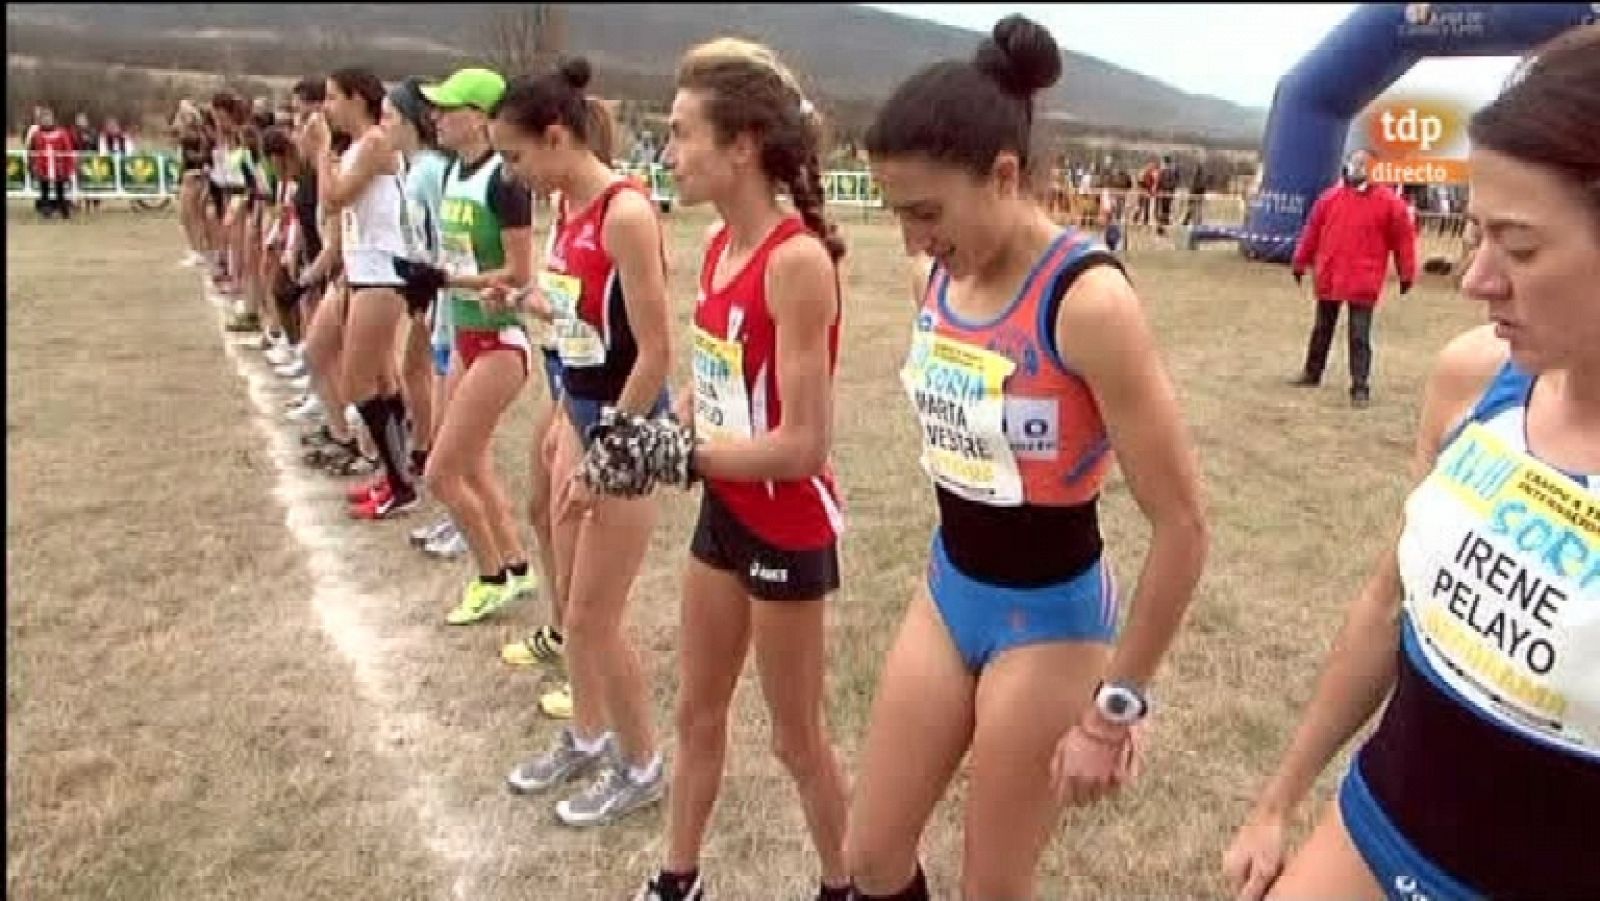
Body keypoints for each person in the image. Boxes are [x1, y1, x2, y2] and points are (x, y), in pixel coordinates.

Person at [1223, 24, 1600, 901]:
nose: (1475, 278)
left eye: (1523, 246)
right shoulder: (1473, 381)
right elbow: (1386, 600)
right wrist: (1277, 800)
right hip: (1373, 826)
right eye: (1475, 234)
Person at [846, 16, 1209, 899]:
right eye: (898, 213)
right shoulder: (932, 277)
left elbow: (1183, 526)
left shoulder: (1087, 303)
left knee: (992, 885)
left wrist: (1117, 702)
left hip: (1050, 621)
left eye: (926, 213)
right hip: (949, 590)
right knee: (870, 854)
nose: (911, 239)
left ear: (1004, 175)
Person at [579, 36, 854, 900]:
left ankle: (848, 884)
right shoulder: (713, 250)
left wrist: (683, 454)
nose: (667, 152)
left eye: (682, 133)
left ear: (741, 146)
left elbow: (804, 442)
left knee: (796, 738)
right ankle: (678, 880)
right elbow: (718, 384)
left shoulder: (797, 261)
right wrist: (649, 431)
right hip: (726, 512)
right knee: (697, 712)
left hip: (786, 521)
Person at [491, 57, 675, 830]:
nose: (512, 173)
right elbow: (586, 324)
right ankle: (589, 733)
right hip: (581, 417)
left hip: (625, 435)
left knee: (597, 613)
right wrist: (531, 301)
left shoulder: (627, 213)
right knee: (572, 598)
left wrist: (602, 453)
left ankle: (642, 765)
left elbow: (657, 350)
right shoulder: (568, 207)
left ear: (557, 136)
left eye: (516, 155)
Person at [418, 67, 538, 624]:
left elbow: (519, 273)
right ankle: (514, 566)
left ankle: (489, 577)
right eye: (435, 108)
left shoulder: (505, 181)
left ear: (482, 118)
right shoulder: (451, 175)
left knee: (442, 473)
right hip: (465, 334)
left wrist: (445, 281)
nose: (436, 117)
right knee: (472, 463)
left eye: (448, 107)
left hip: (500, 340)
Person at [310, 67, 419, 518]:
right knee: (381, 381)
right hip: (363, 270)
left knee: (358, 382)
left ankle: (399, 481)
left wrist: (320, 153)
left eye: (333, 98)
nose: (326, 108)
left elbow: (333, 198)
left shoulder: (374, 143)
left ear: (358, 99)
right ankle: (396, 476)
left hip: (382, 272)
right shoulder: (360, 146)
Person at [1289, 148, 1419, 409]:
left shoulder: (1390, 204)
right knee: (1322, 328)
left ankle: (1360, 386)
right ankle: (1312, 373)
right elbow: (1312, 232)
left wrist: (1407, 273)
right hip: (1331, 274)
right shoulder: (1329, 199)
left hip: (1363, 280)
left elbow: (1404, 241)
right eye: (1354, 162)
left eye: (1363, 163)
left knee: (1359, 335)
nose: (1357, 167)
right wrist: (1300, 262)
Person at [27, 107, 76, 220]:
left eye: (48, 118)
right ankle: (46, 212)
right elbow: (32, 150)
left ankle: (64, 212)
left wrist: (69, 167)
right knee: (44, 190)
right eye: (44, 119)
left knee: (60, 190)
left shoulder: (61, 133)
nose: (46, 121)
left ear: (53, 119)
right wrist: (32, 165)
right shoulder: (37, 134)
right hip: (43, 166)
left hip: (59, 167)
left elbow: (68, 150)